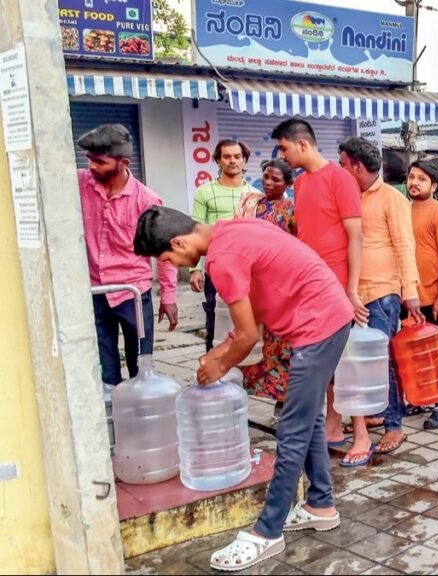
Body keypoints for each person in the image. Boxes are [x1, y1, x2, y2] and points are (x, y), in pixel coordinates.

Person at [133, 207, 353, 572]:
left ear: (178, 241)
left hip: (319, 325)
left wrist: (219, 364)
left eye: (168, 258)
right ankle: (320, 505)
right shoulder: (232, 230)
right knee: (309, 418)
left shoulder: (222, 260)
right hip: (326, 315)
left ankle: (268, 532)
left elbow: (249, 337)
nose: (173, 264)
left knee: (293, 430)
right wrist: (220, 352)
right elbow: (250, 320)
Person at [271, 119, 367, 460]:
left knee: (349, 362)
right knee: (324, 361)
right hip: (312, 283)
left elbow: (356, 237)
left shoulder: (340, 179)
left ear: (302, 144)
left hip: (339, 283)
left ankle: (362, 436)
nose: (280, 155)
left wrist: (352, 290)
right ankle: (333, 426)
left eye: (283, 148)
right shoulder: (301, 184)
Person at [339, 137, 422, 459]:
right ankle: (372, 411)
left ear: (357, 166)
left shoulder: (391, 199)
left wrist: (410, 293)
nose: (341, 170)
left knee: (382, 360)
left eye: (344, 165)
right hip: (352, 293)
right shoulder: (347, 197)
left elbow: (405, 246)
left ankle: (394, 423)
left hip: (383, 292)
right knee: (357, 363)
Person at [78, 124, 178, 389]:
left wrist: (168, 297)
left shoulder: (146, 201)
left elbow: (163, 251)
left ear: (123, 163)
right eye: (89, 160)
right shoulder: (80, 185)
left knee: (141, 367)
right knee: (103, 366)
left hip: (133, 293)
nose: (92, 167)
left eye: (99, 161)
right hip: (96, 291)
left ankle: (141, 418)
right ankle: (111, 419)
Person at [237, 160, 298, 413]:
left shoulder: (291, 210)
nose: (269, 182)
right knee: (255, 340)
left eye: (276, 179)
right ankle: (251, 394)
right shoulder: (252, 204)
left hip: (280, 285)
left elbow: (298, 245)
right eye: (266, 177)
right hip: (253, 282)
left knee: (282, 344)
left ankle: (284, 401)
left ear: (288, 184)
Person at [407, 160, 438, 430]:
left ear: (434, 185)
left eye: (422, 179)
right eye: (412, 177)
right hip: (409, 298)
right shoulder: (404, 210)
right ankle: (420, 398)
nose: (414, 182)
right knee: (413, 353)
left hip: (433, 298)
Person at [190, 139, 254, 351]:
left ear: (244, 160)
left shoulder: (254, 194)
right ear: (218, 160)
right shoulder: (205, 192)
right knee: (214, 318)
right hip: (216, 268)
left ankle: (244, 369)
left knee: (247, 319)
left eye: (237, 156)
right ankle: (213, 369)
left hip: (247, 270)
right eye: (226, 156)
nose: (232, 161)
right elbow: (196, 231)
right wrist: (195, 269)